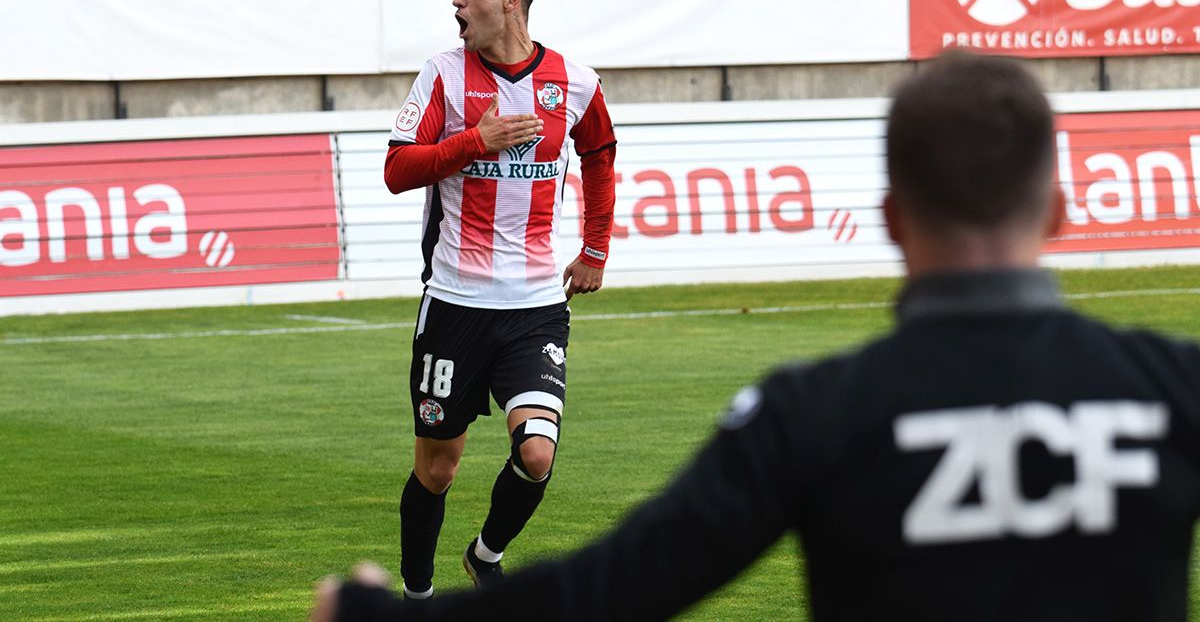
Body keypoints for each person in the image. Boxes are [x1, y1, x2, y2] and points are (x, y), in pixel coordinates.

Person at [316, 52, 1200, 621]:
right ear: (1059, 210)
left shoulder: (810, 415)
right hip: (467, 300)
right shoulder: (1175, 387)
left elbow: (622, 584)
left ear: (890, 219)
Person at [380, 0, 617, 601]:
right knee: (438, 468)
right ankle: (419, 596)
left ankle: (486, 554)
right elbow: (398, 170)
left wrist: (595, 247)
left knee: (537, 453)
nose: (457, 2)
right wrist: (473, 143)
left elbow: (599, 156)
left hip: (536, 304)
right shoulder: (442, 75)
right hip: (454, 304)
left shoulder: (575, 82)